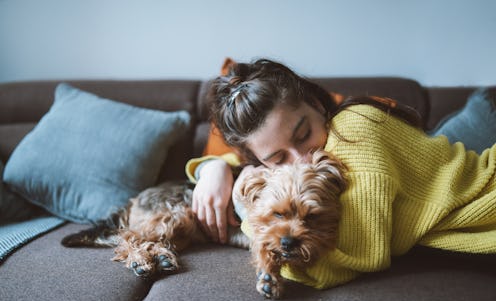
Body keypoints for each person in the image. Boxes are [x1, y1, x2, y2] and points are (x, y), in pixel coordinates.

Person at [186, 59, 496, 289]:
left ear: (316, 105)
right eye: (279, 158)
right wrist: (215, 166)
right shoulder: (315, 153)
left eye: (303, 134)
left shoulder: (355, 128)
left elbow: (341, 263)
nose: (302, 161)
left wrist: (249, 213)